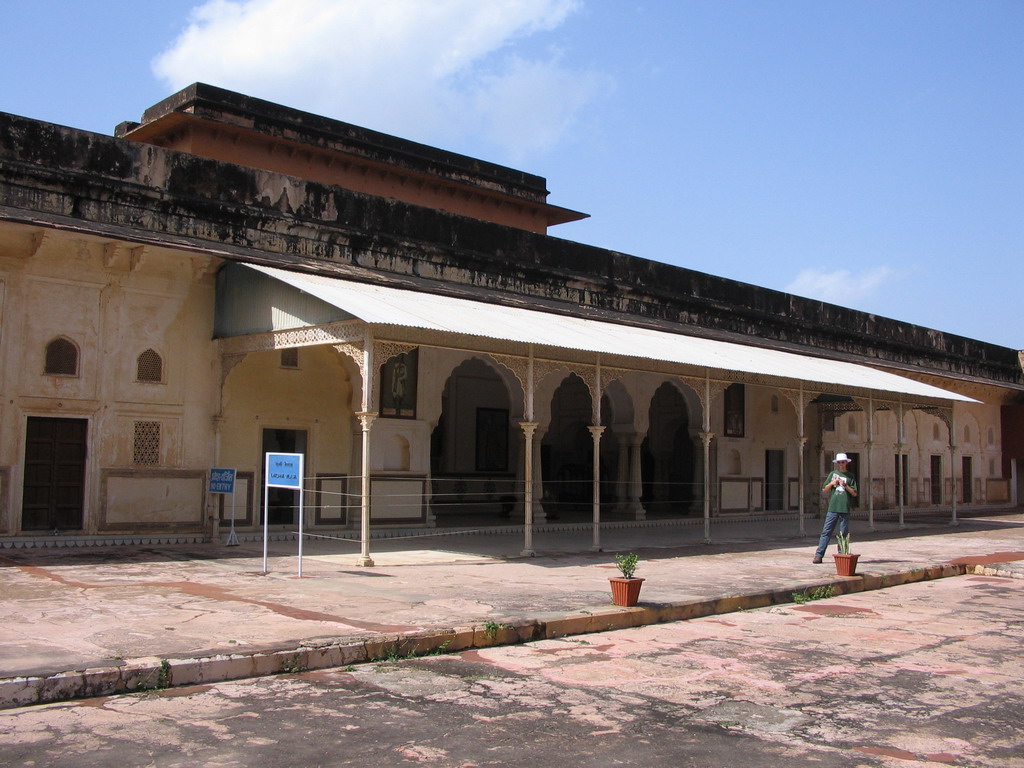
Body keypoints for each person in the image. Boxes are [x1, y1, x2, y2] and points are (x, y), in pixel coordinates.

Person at [813, 453, 858, 563]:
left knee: (843, 534)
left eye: (843, 462)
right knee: (826, 532)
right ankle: (819, 555)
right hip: (833, 508)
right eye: (839, 462)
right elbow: (825, 489)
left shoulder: (850, 476)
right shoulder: (833, 474)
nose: (841, 464)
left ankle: (842, 555)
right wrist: (833, 483)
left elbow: (854, 493)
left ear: (846, 462)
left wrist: (845, 485)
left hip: (844, 508)